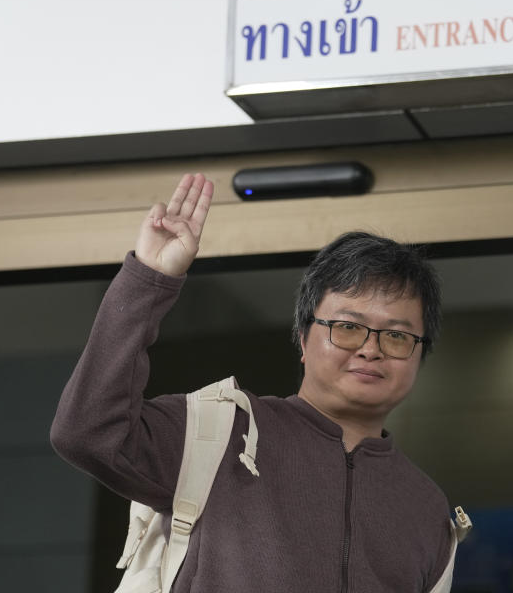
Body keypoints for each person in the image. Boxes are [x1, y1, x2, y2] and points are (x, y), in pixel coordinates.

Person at [50, 173, 454, 592]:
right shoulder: (218, 430)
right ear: (303, 338)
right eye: (348, 327)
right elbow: (86, 431)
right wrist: (149, 280)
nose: (371, 349)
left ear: (419, 353)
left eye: (396, 335)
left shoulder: (426, 508)